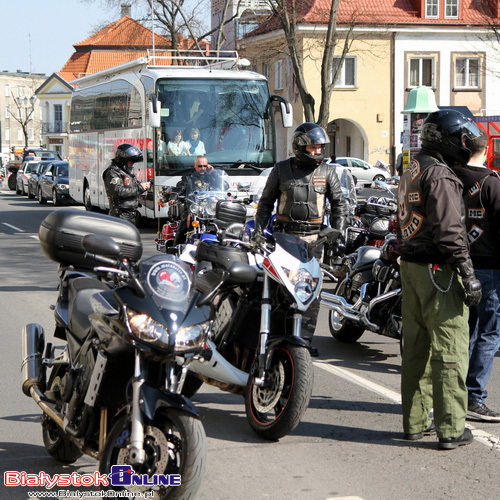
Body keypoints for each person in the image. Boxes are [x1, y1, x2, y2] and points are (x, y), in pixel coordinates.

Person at [397, 109, 482, 450]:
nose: (465, 144)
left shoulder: (412, 168)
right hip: (439, 271)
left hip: (412, 267)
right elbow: (450, 232)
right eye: (462, 139)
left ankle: (414, 423)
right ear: (447, 139)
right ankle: (450, 428)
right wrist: (468, 272)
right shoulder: (441, 175)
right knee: (450, 350)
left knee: (416, 348)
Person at [255, 122, 349, 356]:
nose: (319, 151)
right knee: (281, 288)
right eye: (314, 147)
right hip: (284, 238)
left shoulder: (328, 172)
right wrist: (258, 233)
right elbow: (265, 204)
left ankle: (303, 341)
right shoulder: (280, 169)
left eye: (320, 147)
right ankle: (276, 337)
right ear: (300, 146)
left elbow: (340, 205)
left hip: (313, 240)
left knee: (310, 292)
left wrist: (337, 233)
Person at [451, 131, 500, 422]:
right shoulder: (491, 183)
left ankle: (455, 394)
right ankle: (474, 397)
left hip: (458, 264)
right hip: (490, 267)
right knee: (489, 333)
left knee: (464, 332)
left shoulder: (452, 178)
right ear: (488, 149)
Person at [169, 155, 228, 244]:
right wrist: (173, 196)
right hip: (194, 208)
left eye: (205, 166)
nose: (202, 168)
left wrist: (214, 173)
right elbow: (180, 187)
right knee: (183, 227)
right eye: (200, 166)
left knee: (225, 226)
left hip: (210, 209)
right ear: (195, 165)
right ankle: (176, 248)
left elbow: (226, 186)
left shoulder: (212, 177)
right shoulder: (188, 177)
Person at [103, 143, 150, 224]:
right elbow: (118, 191)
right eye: (131, 161)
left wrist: (143, 186)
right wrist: (139, 188)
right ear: (123, 160)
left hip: (130, 214)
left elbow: (132, 187)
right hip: (121, 214)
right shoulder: (112, 172)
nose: (132, 164)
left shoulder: (125, 172)